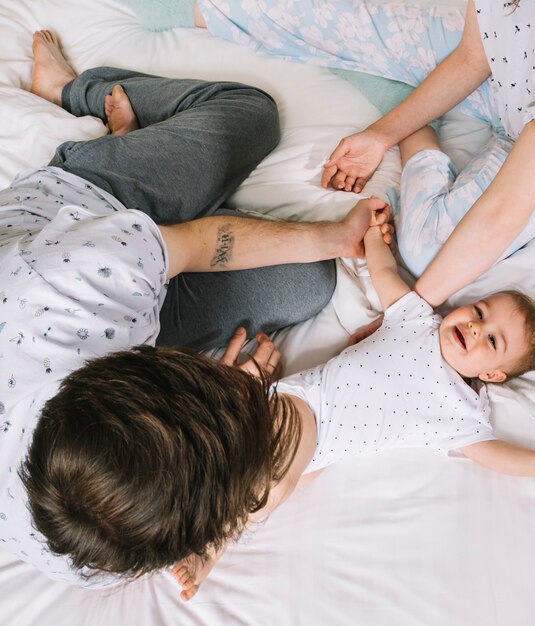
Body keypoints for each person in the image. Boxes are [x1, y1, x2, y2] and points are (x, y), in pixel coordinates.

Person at [21, 191, 535, 601]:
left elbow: (488, 452)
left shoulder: (461, 414)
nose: (474, 325)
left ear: (492, 377)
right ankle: (215, 543)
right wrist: (371, 236)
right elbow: (385, 273)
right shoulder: (419, 318)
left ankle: (216, 542)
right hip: (303, 407)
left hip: (321, 446)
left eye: (493, 342)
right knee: (268, 486)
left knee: (270, 492)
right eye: (481, 311)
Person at [0, 30, 391, 586]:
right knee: (307, 285)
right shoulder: (98, 551)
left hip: (85, 208)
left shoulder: (75, 282)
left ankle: (76, 92)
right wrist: (222, 402)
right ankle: (153, 173)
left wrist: (336, 236)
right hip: (127, 283)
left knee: (252, 114)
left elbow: (203, 243)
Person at [193, 0, 535, 304]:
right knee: (350, 23)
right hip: (508, 86)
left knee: (427, 254)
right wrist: (380, 135)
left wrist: (407, 317)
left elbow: (510, 204)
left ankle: (420, 137)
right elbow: (473, 56)